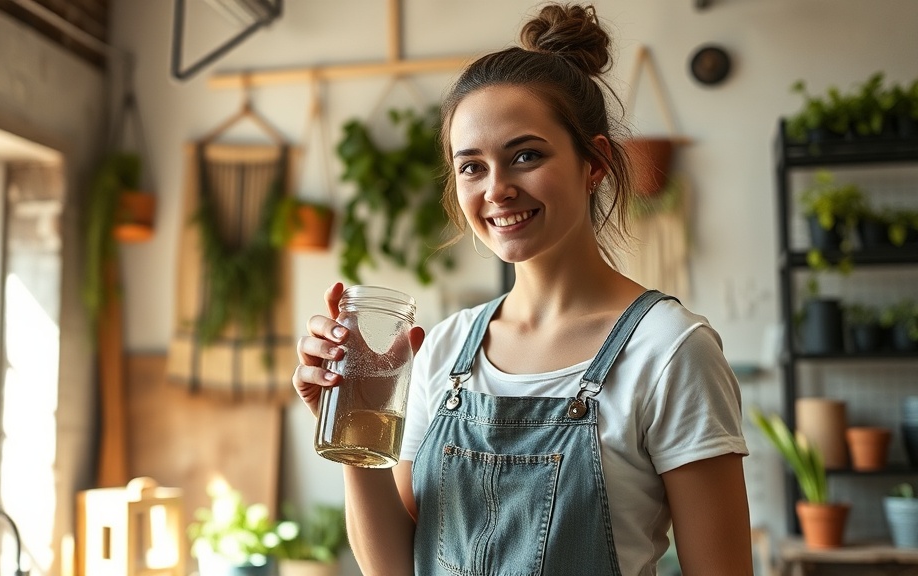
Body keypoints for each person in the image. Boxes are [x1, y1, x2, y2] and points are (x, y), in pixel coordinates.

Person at [292, 3, 753, 574]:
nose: (498, 189)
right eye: (472, 167)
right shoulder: (443, 347)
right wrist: (355, 423)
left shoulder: (670, 350)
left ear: (595, 162)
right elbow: (396, 567)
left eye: (526, 156)